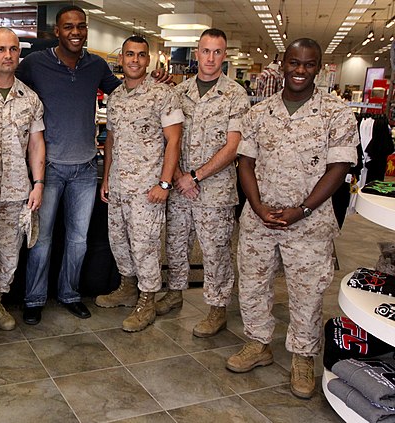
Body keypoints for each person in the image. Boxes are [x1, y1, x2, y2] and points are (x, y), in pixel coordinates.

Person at [226, 38, 358, 399]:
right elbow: (245, 163)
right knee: (252, 285)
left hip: (310, 223)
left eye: (309, 64)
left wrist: (303, 209)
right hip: (260, 219)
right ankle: (258, 343)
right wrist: (255, 205)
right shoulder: (258, 113)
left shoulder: (337, 112)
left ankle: (303, 356)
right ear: (283, 64)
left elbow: (340, 167)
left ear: (320, 67)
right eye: (294, 63)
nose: (300, 71)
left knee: (307, 293)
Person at [15, 5, 121, 325]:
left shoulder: (96, 65)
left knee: (78, 240)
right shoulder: (36, 63)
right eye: (68, 27)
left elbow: (125, 92)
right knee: (42, 239)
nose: (75, 32)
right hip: (47, 169)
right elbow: (6, 85)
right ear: (57, 32)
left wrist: (153, 79)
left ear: (86, 29)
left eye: (81, 26)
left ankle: (69, 293)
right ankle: (34, 299)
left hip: (86, 168)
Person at [147, 29, 249, 339]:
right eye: (205, 51)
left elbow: (233, 148)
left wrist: (196, 176)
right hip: (179, 186)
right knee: (176, 243)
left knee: (215, 251)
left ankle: (217, 308)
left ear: (225, 55)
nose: (210, 57)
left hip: (215, 191)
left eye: (217, 52)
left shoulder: (235, 94)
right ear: (196, 53)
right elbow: (170, 139)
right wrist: (179, 176)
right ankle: (175, 292)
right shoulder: (180, 92)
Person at [100, 36, 183, 332]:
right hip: (120, 185)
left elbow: (174, 140)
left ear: (149, 61)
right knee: (119, 241)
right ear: (121, 59)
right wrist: (107, 177)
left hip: (147, 189)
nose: (135, 60)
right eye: (129, 55)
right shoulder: (116, 96)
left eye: (141, 55)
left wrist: (164, 183)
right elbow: (110, 139)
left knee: (145, 246)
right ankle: (128, 288)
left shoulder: (162, 95)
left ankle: (148, 299)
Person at [0, 27, 46, 331]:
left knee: (8, 253)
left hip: (16, 189)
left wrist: (38, 183)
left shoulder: (30, 99)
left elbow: (36, 143)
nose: (7, 55)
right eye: (0, 49)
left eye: (13, 49)